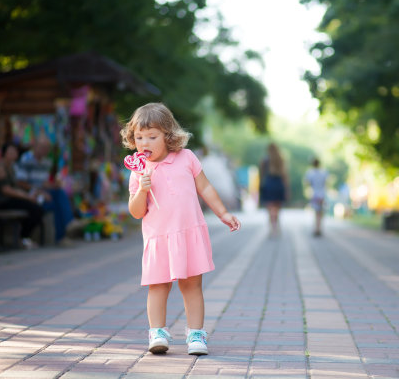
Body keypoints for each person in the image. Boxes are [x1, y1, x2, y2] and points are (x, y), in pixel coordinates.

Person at [120, 102, 240, 356]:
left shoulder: (187, 158)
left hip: (188, 233)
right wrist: (142, 189)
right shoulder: (139, 171)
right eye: (139, 137)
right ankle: (158, 332)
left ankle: (196, 333)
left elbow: (205, 188)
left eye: (152, 137)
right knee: (158, 285)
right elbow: (136, 211)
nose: (145, 143)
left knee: (191, 285)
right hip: (158, 237)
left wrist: (224, 213)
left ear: (168, 135)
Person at [15, 138, 74, 245]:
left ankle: (66, 228)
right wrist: (39, 191)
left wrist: (53, 185)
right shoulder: (26, 160)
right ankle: (65, 229)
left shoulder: (46, 163)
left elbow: (44, 183)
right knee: (56, 204)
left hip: (44, 194)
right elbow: (20, 182)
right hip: (31, 195)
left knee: (59, 193)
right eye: (42, 147)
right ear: (35, 147)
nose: (45, 150)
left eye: (47, 148)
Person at [0, 143, 44, 249]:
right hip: (0, 202)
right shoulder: (0, 168)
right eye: (10, 152)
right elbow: (6, 190)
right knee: (35, 209)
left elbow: (15, 188)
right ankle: (22, 238)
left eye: (15, 152)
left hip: (9, 200)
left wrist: (29, 195)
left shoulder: (11, 167)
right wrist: (27, 197)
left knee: (36, 208)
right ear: (4, 154)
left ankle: (23, 238)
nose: (14, 154)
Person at [259, 142, 288, 235]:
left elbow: (261, 174)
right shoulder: (281, 159)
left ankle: (272, 228)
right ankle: (277, 226)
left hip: (269, 184)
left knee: (270, 208)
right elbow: (285, 175)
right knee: (277, 208)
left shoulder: (264, 160)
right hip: (278, 184)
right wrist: (287, 189)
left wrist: (260, 186)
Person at [304, 157, 329, 237]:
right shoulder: (324, 172)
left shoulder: (310, 173)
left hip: (314, 193)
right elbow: (326, 183)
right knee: (320, 212)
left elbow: (307, 183)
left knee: (316, 212)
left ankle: (316, 228)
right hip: (322, 193)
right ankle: (319, 228)